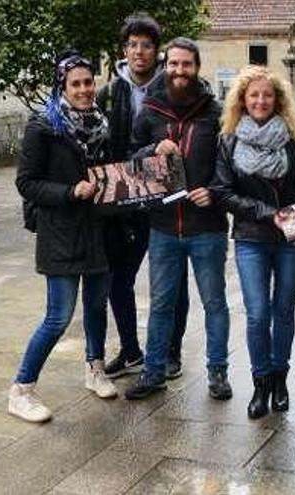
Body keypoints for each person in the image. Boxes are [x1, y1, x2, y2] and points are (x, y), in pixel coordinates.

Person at [10, 51, 117, 422]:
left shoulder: (101, 123)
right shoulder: (43, 127)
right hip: (61, 235)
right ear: (63, 87)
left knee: (96, 308)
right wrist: (71, 192)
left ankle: (95, 368)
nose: (85, 90)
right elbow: (26, 183)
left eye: (89, 82)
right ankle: (21, 389)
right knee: (58, 317)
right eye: (76, 84)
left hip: (98, 230)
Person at [124, 38, 232, 401]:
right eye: (173, 64)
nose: (179, 71)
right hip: (164, 227)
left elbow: (230, 164)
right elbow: (130, 158)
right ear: (165, 66)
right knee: (161, 304)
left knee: (214, 303)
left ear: (197, 67)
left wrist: (215, 191)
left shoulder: (216, 112)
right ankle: (153, 372)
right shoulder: (150, 110)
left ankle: (217, 372)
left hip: (208, 227)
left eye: (186, 65)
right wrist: (153, 149)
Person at [210, 65, 295, 419]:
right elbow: (221, 192)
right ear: (242, 100)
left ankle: (280, 378)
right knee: (257, 314)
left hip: (291, 239)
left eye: (268, 94)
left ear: (278, 100)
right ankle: (260, 382)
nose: (261, 100)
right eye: (254, 95)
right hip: (252, 236)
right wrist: (270, 214)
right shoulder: (229, 140)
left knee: (283, 310)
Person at [96, 14, 191, 382]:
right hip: (125, 197)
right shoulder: (109, 91)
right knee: (119, 279)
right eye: (133, 45)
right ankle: (131, 349)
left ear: (157, 51)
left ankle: (171, 352)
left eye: (147, 45)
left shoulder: (174, 89)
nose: (139, 51)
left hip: (167, 199)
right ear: (124, 50)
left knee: (172, 283)